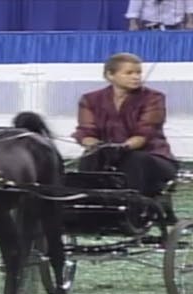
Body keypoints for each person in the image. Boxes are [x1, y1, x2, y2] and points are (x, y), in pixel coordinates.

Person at [72, 52, 178, 223]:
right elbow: (86, 131)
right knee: (88, 159)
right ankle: (87, 212)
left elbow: (145, 132)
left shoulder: (153, 98)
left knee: (134, 159)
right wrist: (95, 146)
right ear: (110, 75)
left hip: (153, 158)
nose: (136, 77)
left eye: (138, 73)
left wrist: (122, 147)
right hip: (107, 157)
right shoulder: (90, 100)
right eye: (129, 73)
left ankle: (133, 212)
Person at [126, 0, 193, 31]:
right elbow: (135, 4)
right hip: (151, 26)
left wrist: (190, 21)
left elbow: (190, 4)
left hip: (176, 25)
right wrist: (133, 23)